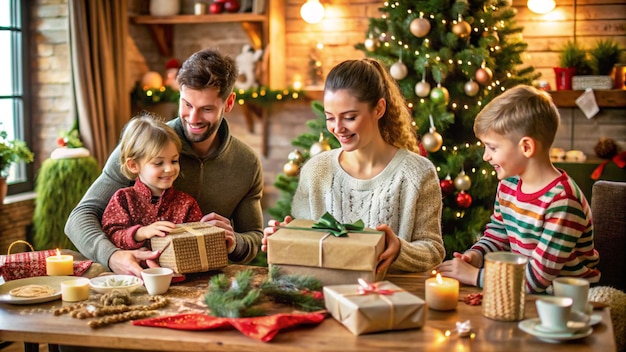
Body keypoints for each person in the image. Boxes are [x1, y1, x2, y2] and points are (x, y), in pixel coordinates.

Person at [65, 48, 264, 277]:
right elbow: (79, 217)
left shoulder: (246, 163)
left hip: (206, 283)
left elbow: (254, 236)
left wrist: (235, 241)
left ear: (228, 103)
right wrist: (113, 256)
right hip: (139, 279)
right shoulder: (144, 145)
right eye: (187, 104)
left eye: (207, 109)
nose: (193, 118)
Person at [262, 58, 445, 274]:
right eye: (330, 118)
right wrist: (285, 239)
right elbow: (306, 247)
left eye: (349, 117)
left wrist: (399, 251)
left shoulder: (418, 173)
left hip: (390, 298)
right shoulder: (316, 171)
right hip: (324, 296)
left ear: (379, 109)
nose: (338, 128)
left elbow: (433, 250)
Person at [436, 85, 600, 293]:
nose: (486, 156)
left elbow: (536, 279)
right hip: (525, 291)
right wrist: (476, 256)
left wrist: (475, 276)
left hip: (565, 300)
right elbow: (498, 235)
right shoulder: (509, 184)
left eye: (493, 147)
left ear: (526, 147)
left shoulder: (562, 201)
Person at [101, 114, 203, 250]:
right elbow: (111, 234)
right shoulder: (123, 199)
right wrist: (140, 233)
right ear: (133, 165)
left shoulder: (187, 204)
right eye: (158, 163)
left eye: (174, 161)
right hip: (132, 270)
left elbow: (198, 243)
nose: (169, 169)